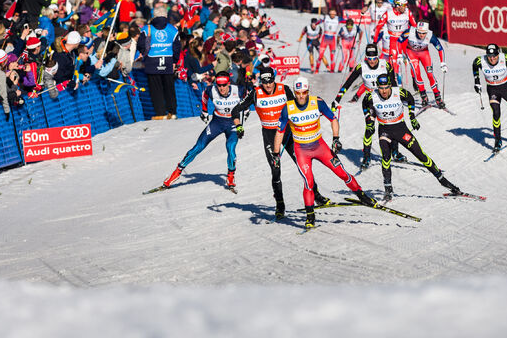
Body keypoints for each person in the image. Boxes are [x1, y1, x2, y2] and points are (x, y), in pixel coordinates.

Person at [272, 75, 375, 229]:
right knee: (308, 182)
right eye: (298, 93)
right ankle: (310, 216)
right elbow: (279, 132)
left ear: (308, 91)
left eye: (304, 92)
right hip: (301, 151)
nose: (301, 96)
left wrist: (336, 139)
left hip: (320, 147)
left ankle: (362, 196)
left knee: (342, 173)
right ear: (294, 92)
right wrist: (275, 154)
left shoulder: (317, 103)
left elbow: (333, 119)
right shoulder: (288, 108)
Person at [231, 67, 327, 218]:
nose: (268, 86)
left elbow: (300, 104)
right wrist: (238, 125)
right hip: (269, 135)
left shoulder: (284, 89)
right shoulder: (256, 92)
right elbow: (236, 110)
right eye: (264, 82)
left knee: (302, 165)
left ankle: (317, 195)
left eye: (270, 81)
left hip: (288, 133)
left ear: (274, 79)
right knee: (275, 170)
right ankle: (280, 204)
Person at [360, 73, 462, 200]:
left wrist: (412, 117)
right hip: (384, 130)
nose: (384, 91)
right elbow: (365, 105)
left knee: (421, 155)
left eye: (386, 87)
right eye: (381, 88)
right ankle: (388, 189)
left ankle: (443, 181)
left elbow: (410, 99)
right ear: (377, 87)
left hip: (401, 129)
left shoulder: (399, 92)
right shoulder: (371, 96)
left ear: (390, 85)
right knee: (386, 158)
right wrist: (369, 122)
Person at [158, 71, 243, 191]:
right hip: (217, 122)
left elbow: (248, 98)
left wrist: (245, 113)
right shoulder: (211, 90)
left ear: (228, 83)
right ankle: (177, 172)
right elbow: (204, 96)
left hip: (232, 123)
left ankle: (230, 176)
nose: (221, 88)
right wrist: (204, 111)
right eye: (219, 85)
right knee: (198, 146)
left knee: (230, 147)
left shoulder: (238, 90)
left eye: (224, 85)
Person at [137, 5, 181, 119]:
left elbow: (141, 44)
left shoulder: (147, 29)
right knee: (169, 88)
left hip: (152, 61)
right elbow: (177, 47)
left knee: (155, 88)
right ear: (165, 15)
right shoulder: (172, 29)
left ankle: (160, 112)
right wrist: (175, 60)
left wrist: (145, 55)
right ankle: (172, 112)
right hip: (168, 60)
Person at [402, 21, 448, 108]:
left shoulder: (430, 36)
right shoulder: (410, 32)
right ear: (416, 30)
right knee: (417, 75)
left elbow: (440, 49)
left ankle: (437, 97)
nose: (421, 35)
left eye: (424, 33)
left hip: (424, 54)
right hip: (412, 54)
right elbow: (399, 41)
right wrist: (400, 55)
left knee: (430, 75)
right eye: (419, 32)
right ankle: (423, 96)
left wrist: (443, 63)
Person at [374, 0, 413, 83]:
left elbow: (415, 26)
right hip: (394, 42)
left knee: (412, 61)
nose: (406, 7)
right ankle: (395, 83)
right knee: (393, 64)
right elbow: (378, 28)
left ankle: (415, 81)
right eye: (404, 5)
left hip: (405, 41)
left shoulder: (408, 12)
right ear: (398, 5)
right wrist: (374, 42)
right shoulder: (388, 13)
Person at [318, 9, 342, 73]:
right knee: (320, 55)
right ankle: (317, 69)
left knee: (332, 56)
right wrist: (317, 22)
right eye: (331, 14)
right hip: (325, 38)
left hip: (332, 39)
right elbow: (318, 22)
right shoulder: (326, 17)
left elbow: (347, 21)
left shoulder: (338, 18)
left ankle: (332, 70)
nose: (332, 15)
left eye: (334, 14)